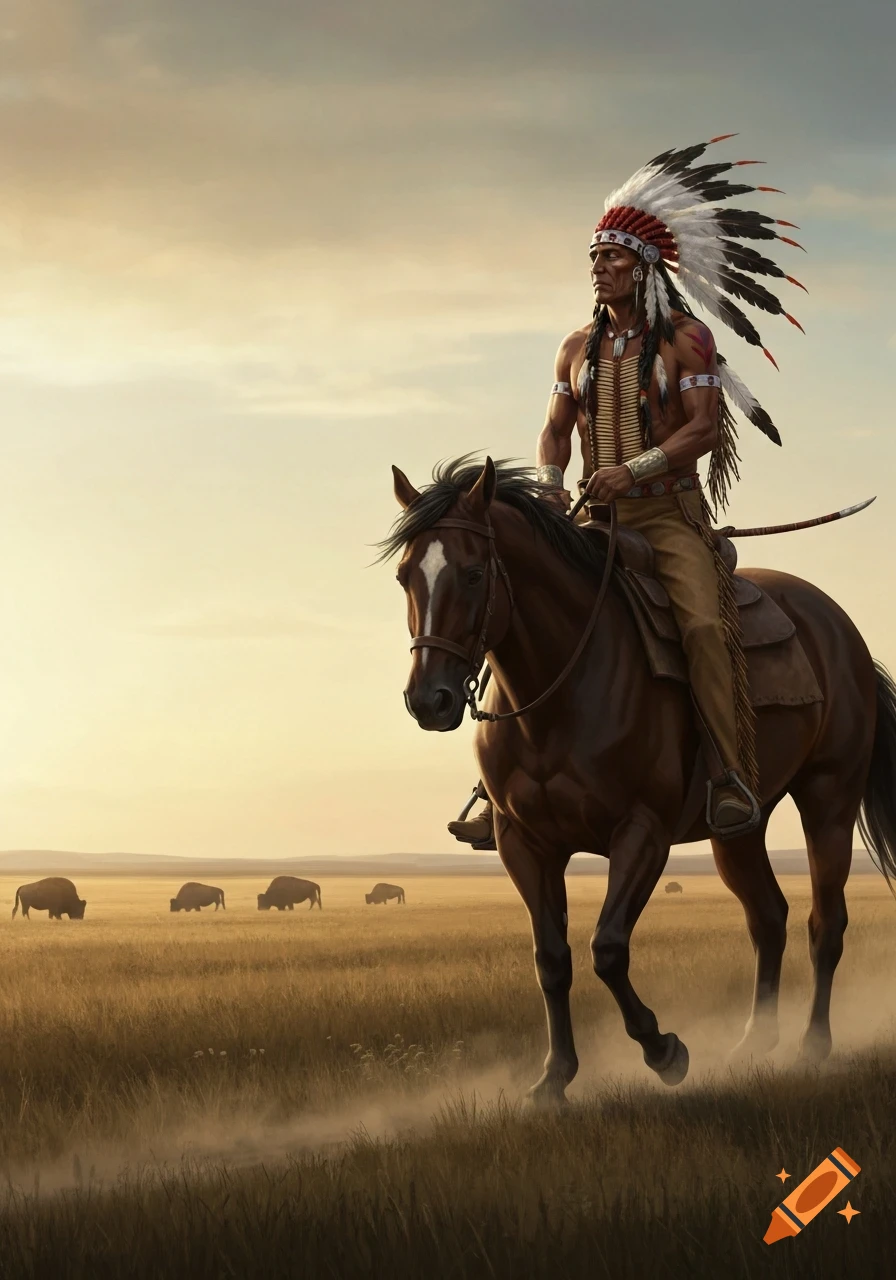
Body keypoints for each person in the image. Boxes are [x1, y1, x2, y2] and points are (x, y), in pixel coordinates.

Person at [448, 135, 806, 850]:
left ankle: (729, 777)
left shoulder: (687, 341)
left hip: (669, 518)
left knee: (704, 626)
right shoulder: (574, 347)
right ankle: (501, 786)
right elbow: (555, 432)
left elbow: (703, 430)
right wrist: (552, 487)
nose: (598, 268)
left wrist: (633, 470)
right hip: (592, 516)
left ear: (643, 267)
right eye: (594, 257)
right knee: (516, 603)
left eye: (611, 257)